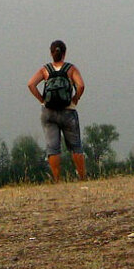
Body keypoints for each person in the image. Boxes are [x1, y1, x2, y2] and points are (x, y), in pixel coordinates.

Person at [27, 39, 86, 182]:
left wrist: (42, 100)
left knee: (53, 148)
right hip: (68, 111)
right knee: (75, 147)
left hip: (48, 112)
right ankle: (82, 177)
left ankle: (57, 179)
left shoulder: (45, 69)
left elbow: (31, 84)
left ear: (51, 53)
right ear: (64, 53)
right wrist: (75, 99)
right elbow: (81, 85)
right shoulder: (71, 69)